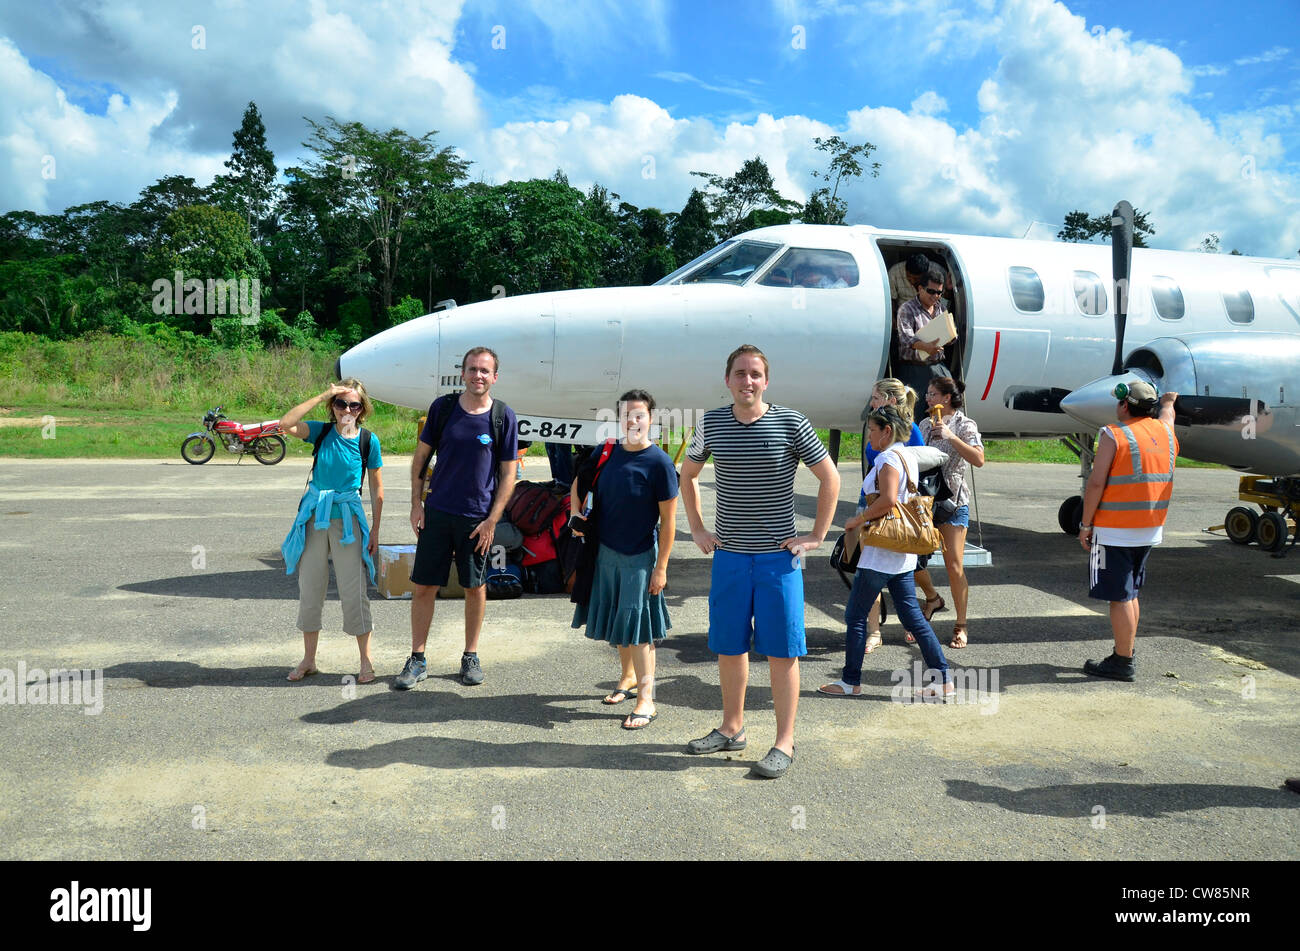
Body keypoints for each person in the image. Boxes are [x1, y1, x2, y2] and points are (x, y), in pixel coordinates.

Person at [680, 344, 841, 779]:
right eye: (739, 373)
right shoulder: (711, 423)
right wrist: (696, 527)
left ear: (765, 381)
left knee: (782, 651)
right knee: (729, 646)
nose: (747, 381)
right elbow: (687, 475)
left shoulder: (791, 422)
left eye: (755, 374)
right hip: (730, 557)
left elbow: (830, 477)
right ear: (727, 380)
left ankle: (784, 741)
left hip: (777, 561)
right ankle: (732, 728)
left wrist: (816, 535)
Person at [395, 347, 518, 690]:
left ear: (495, 377)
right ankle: (417, 659)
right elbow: (420, 458)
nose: (478, 375)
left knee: (475, 588)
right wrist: (416, 504)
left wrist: (493, 520)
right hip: (437, 512)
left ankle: (470, 656)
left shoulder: (503, 416)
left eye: (484, 371)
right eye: (472, 369)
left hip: (477, 519)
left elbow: (508, 476)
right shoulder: (443, 408)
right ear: (462, 373)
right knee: (424, 587)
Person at [819, 405, 952, 700]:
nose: (869, 435)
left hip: (880, 553)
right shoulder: (906, 455)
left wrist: (859, 519)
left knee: (855, 616)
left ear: (887, 431)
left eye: (872, 430)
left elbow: (889, 500)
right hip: (902, 555)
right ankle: (943, 679)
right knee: (914, 619)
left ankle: (850, 681)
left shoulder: (889, 457)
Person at [570, 390, 679, 729]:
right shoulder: (606, 453)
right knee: (620, 623)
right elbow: (578, 483)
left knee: (639, 630)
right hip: (604, 554)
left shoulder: (659, 463)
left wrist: (661, 568)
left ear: (651, 420)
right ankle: (628, 678)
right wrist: (576, 516)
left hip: (639, 558)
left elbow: (670, 522)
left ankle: (647, 700)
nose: (633, 420)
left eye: (639, 415)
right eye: (627, 415)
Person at [280, 379, 384, 684]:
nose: (347, 410)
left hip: (348, 522)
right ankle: (309, 659)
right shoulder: (321, 431)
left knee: (354, 592)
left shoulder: (368, 441)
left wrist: (375, 531)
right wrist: (325, 393)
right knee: (310, 589)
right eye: (341, 403)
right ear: (333, 406)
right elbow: (286, 423)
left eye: (354, 405)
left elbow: (378, 491)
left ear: (363, 409)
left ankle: (366, 661)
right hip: (315, 518)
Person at [1079, 382, 1178, 681]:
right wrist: (1170, 401)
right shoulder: (1165, 431)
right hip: (1149, 528)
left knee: (1119, 597)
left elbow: (1096, 483)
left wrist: (1085, 524)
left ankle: (1123, 661)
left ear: (1124, 405)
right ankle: (1125, 652)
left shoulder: (1114, 434)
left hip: (1114, 530)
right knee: (1130, 593)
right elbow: (1169, 415)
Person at [916, 377, 984, 648]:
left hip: (953, 502)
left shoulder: (965, 424)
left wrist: (951, 436)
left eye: (932, 394)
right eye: (927, 393)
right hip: (924, 502)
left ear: (946, 398)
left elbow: (979, 459)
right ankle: (932, 598)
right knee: (912, 562)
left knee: (954, 566)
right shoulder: (923, 424)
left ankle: (961, 625)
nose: (927, 398)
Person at [858, 378, 925, 650]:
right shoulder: (874, 426)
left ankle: (922, 610)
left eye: (876, 397)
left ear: (891, 400)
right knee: (868, 569)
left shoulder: (911, 431)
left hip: (898, 512)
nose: (872, 402)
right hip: (870, 504)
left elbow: (919, 466)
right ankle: (874, 631)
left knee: (907, 571)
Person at [894, 263, 950, 400]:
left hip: (938, 366)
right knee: (913, 411)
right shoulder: (907, 309)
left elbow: (950, 335)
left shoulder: (940, 308)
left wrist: (950, 336)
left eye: (939, 293)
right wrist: (926, 347)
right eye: (931, 291)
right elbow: (906, 339)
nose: (935, 296)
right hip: (914, 368)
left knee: (949, 404)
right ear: (920, 289)